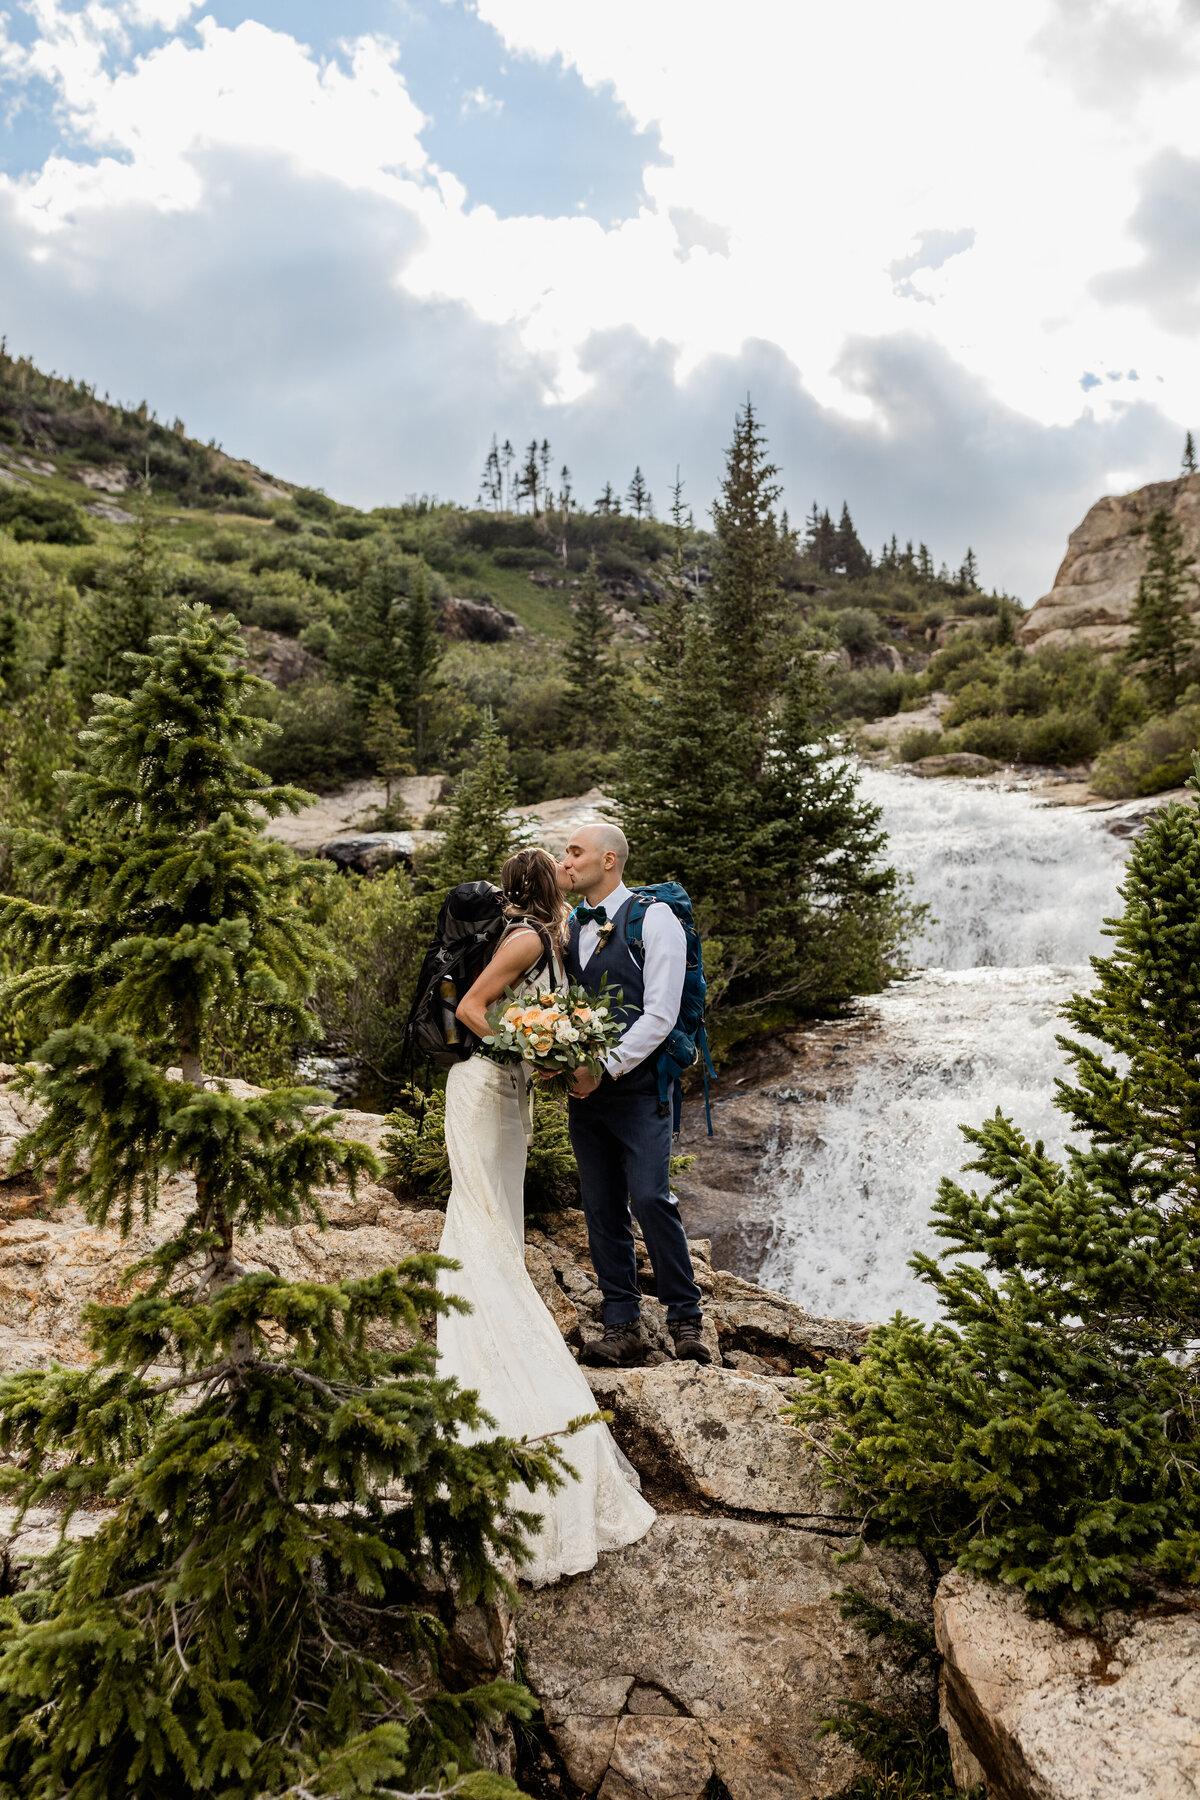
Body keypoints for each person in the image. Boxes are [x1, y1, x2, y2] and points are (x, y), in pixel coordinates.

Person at [436, 845, 655, 1586]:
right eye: (560, 865)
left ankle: (495, 1314)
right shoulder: (528, 936)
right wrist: (520, 1047)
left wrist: (556, 1059)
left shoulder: (554, 938)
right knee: (480, 1219)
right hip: (481, 1090)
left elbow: (539, 1017)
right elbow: (473, 1012)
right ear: (543, 887)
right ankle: (490, 1340)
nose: (570, 868)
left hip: (513, 1101)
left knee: (498, 1218)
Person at [558, 824, 711, 1369]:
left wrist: (605, 1066)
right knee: (600, 1207)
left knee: (650, 1198)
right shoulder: (571, 925)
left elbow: (661, 1013)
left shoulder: (656, 919)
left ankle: (685, 1318)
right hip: (585, 1091)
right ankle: (621, 1324)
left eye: (574, 853)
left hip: (640, 1086)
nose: (566, 861)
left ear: (608, 860)